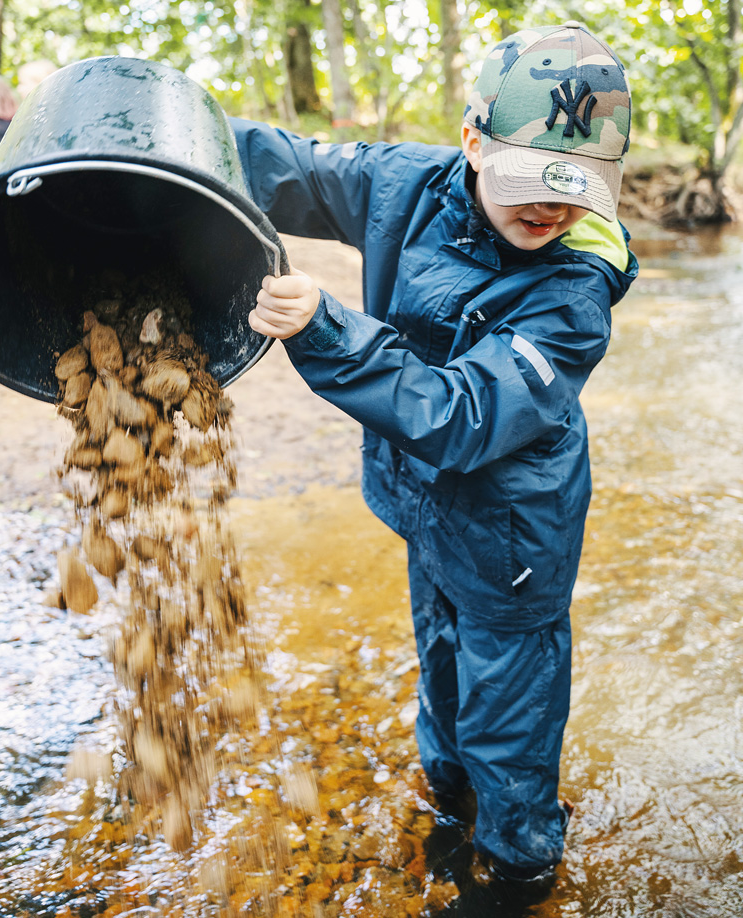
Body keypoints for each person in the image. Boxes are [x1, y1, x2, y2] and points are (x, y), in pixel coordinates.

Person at [231, 21, 638, 888]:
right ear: (472, 140)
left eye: (578, 190)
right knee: (443, 684)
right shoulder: (409, 186)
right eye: (531, 178)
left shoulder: (572, 299)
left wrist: (326, 327)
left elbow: (459, 416)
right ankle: (447, 812)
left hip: (514, 544)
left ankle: (520, 868)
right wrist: (162, 132)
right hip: (424, 510)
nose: (551, 209)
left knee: (509, 729)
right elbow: (289, 166)